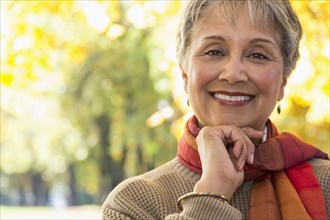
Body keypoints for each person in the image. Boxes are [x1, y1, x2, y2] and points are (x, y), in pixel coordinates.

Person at [102, 0, 329, 219]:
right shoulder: (132, 204)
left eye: (258, 55)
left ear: (282, 83)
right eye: (214, 52)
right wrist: (212, 193)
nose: (233, 74)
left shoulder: (326, 185)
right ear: (185, 75)